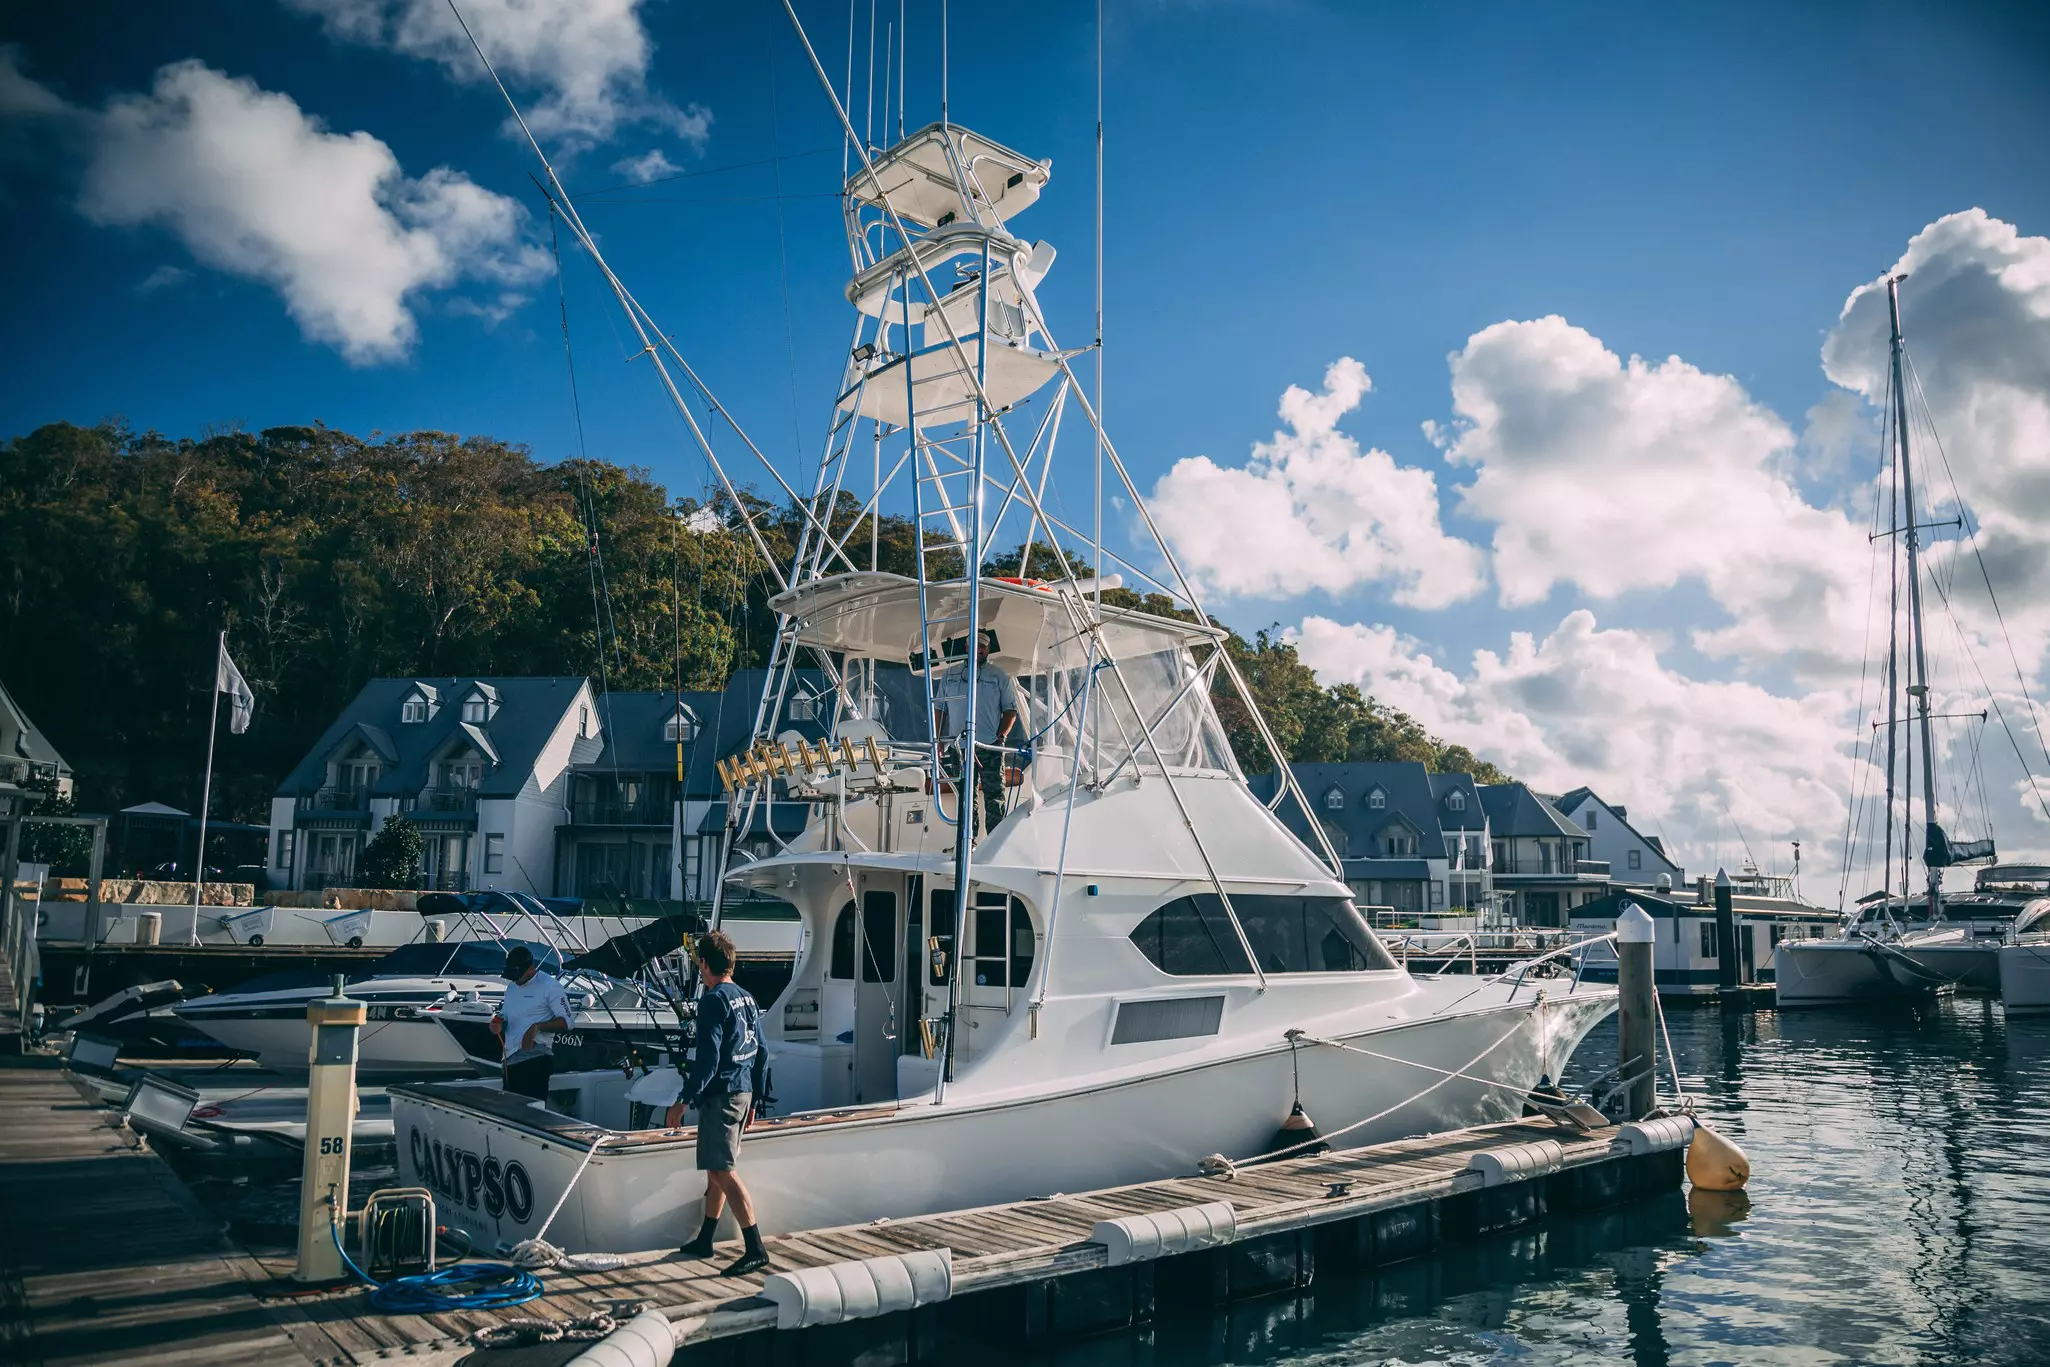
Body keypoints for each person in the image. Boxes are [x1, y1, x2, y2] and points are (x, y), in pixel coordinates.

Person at [671, 930, 771, 1275]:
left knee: (722, 1171)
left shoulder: (713, 1000)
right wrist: (756, 1096)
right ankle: (706, 1238)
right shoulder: (746, 997)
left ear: (703, 964)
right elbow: (763, 1052)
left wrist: (683, 1100)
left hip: (723, 1095)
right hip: (742, 1092)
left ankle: (756, 1248)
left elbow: (708, 1060)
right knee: (716, 1169)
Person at [936, 630, 1019, 837]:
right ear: (966, 647)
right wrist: (938, 740)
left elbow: (1010, 710)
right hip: (960, 747)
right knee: (965, 797)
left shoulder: (998, 676)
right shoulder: (950, 675)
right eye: (974, 645)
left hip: (989, 745)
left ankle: (995, 842)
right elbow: (940, 709)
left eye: (982, 646)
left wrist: (1001, 738)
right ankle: (967, 841)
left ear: (988, 649)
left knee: (994, 796)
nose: (978, 650)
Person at [490, 944, 571, 1101]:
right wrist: (497, 1024)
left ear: (531, 969)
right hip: (510, 1060)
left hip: (536, 1059)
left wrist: (537, 1027)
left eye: (518, 975)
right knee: (511, 1108)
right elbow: (504, 1016)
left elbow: (567, 1022)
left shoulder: (550, 987)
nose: (516, 980)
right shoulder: (512, 987)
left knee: (531, 1108)